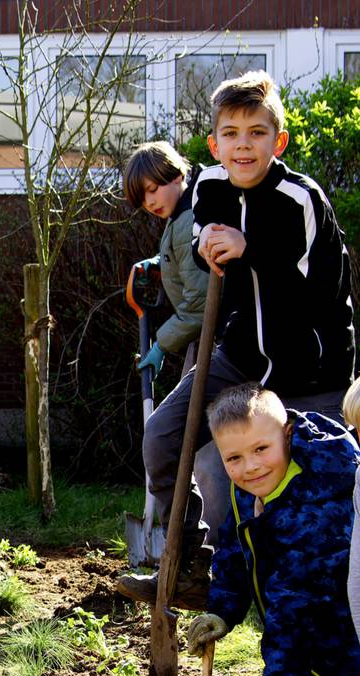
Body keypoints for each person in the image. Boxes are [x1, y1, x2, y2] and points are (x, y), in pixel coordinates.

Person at [117, 70, 355, 609]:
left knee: (317, 492)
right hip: (243, 353)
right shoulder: (209, 186)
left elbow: (305, 288)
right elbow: (204, 228)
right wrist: (204, 243)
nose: (243, 145)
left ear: (279, 141)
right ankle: (189, 565)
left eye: (256, 132)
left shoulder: (301, 200)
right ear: (214, 143)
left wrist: (246, 247)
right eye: (231, 133)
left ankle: (326, 614)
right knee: (163, 437)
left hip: (312, 366)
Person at [185, 384, 360, 676]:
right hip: (308, 638)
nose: (250, 467)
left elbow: (293, 612)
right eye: (234, 458)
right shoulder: (250, 487)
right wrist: (223, 611)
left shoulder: (317, 507)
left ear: (287, 434)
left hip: (341, 646)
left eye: (261, 450)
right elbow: (234, 548)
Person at [123, 141, 230, 545]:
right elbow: (189, 265)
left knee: (197, 452)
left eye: (153, 189)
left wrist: (160, 345)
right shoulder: (185, 213)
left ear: (177, 175)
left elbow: (202, 305)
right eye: (142, 197)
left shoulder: (188, 219)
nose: (149, 201)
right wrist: (162, 262)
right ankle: (203, 545)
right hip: (203, 342)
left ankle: (208, 546)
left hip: (212, 343)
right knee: (192, 448)